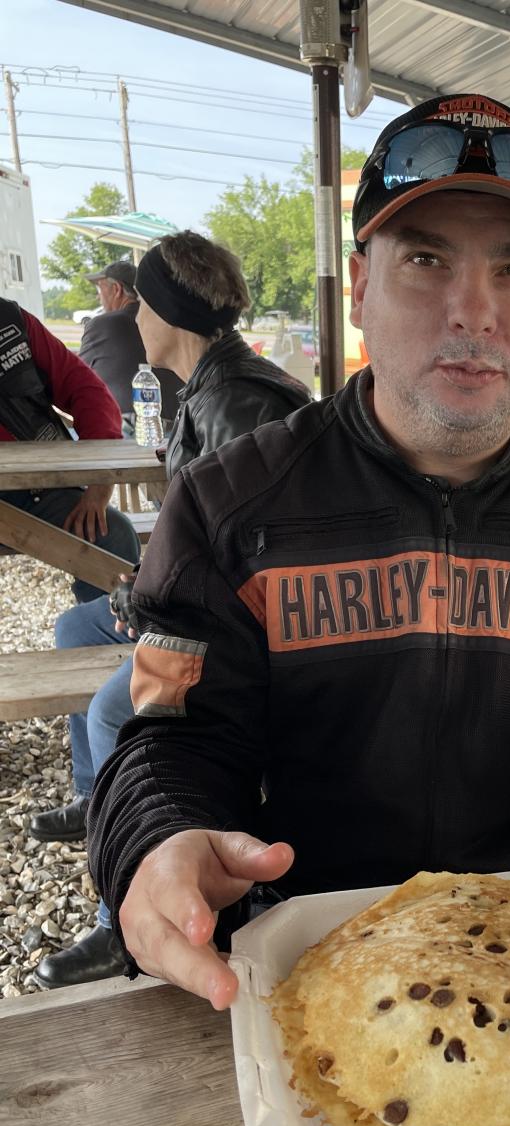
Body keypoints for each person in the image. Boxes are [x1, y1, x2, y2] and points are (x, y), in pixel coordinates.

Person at [88, 93, 510, 1011]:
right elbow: (179, 740)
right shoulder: (228, 504)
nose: (473, 312)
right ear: (361, 286)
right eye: (428, 260)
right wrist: (161, 835)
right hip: (317, 969)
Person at [32, 231, 311, 989]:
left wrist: (153, 602)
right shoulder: (212, 388)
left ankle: (119, 918)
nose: (133, 322)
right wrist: (142, 591)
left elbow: (253, 561)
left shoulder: (240, 405)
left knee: (108, 711)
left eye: (142, 308)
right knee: (73, 627)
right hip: (187, 603)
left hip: (231, 633)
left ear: (168, 314)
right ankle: (99, 803)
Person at [0, 299, 141, 601]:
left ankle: (106, 628)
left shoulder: (9, 320)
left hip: (35, 487)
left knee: (113, 536)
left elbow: (85, 388)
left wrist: (100, 481)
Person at [78, 259, 179, 437]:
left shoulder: (101, 325)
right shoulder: (168, 321)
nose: (98, 297)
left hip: (132, 429)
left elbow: (78, 379)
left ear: (116, 289)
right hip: (180, 427)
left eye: (100, 289)